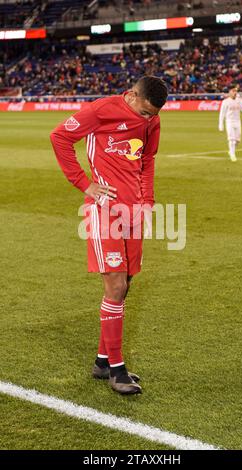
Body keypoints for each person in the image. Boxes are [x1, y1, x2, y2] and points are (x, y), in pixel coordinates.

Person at [50, 76, 168, 395]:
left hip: (133, 212)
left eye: (153, 115)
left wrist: (147, 201)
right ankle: (117, 370)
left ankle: (103, 362)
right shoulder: (101, 110)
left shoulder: (151, 120)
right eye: (145, 112)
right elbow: (59, 136)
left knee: (125, 285)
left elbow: (146, 160)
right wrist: (83, 183)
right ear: (130, 96)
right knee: (115, 284)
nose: (148, 119)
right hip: (104, 209)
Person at [219, 86, 242, 162]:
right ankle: (232, 155)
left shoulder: (239, 100)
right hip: (229, 122)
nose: (235, 93)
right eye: (233, 91)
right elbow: (222, 114)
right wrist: (221, 124)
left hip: (237, 121)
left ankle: (231, 151)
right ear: (229, 92)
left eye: (235, 91)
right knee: (231, 139)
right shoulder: (225, 102)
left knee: (237, 140)